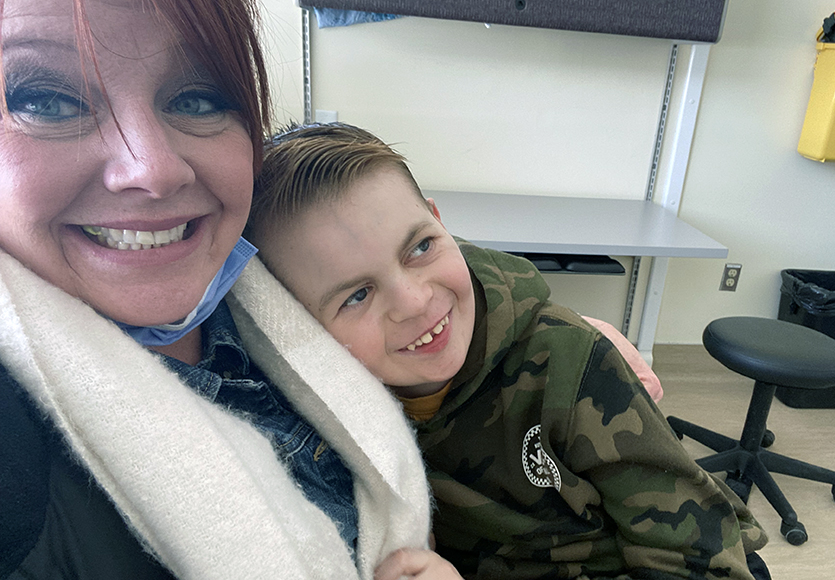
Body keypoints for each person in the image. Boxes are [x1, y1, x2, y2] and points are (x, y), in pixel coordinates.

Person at [0, 0, 462, 579]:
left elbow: (386, 252)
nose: (154, 170)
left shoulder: (252, 263)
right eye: (46, 101)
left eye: (197, 96)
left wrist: (533, 325)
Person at [245, 123, 772, 580]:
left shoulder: (568, 363)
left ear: (439, 220)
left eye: (420, 247)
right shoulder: (319, 409)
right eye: (357, 295)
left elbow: (702, 562)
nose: (414, 301)